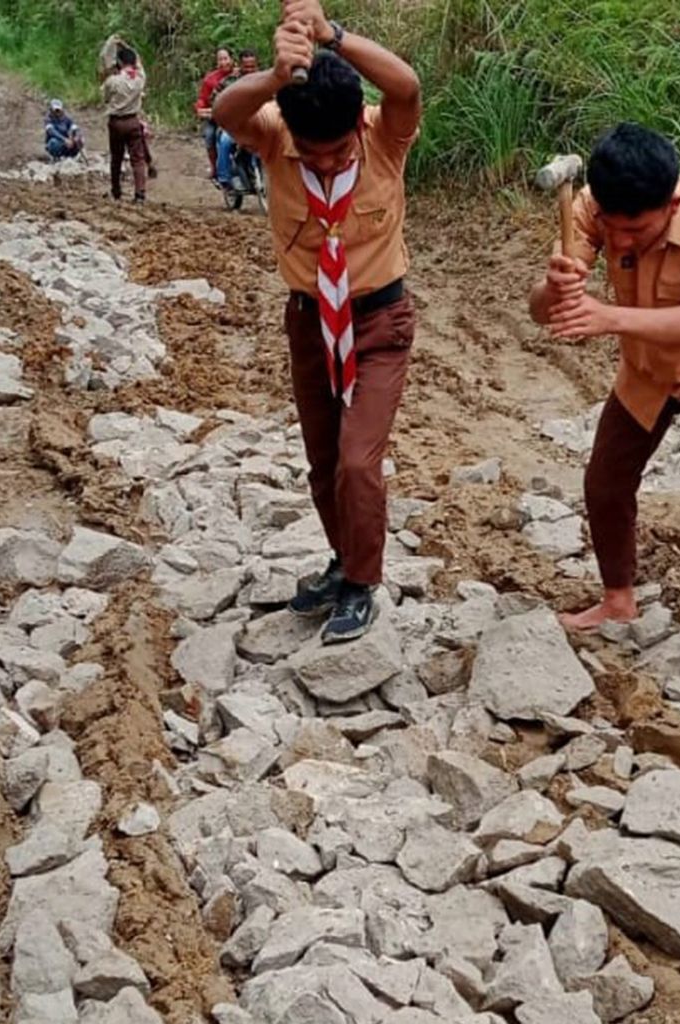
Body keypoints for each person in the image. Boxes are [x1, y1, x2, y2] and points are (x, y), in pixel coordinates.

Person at [529, 123, 680, 707]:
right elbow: (543, 312)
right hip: (647, 367)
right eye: (611, 227)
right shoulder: (593, 206)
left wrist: (605, 316)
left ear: (671, 203)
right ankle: (618, 597)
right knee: (605, 481)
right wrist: (554, 285)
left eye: (634, 229)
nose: (619, 236)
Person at [215, 0, 421, 643]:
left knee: (359, 461)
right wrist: (277, 76)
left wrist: (334, 36)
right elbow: (227, 112)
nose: (326, 166)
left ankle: (363, 585)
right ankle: (343, 560)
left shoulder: (385, 137)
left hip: (380, 320)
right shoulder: (277, 135)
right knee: (323, 460)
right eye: (315, 156)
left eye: (336, 154)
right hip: (309, 322)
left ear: (357, 128)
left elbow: (407, 84)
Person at [99, 35, 148, 203]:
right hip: (133, 121)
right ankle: (140, 194)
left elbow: (105, 98)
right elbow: (138, 62)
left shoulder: (112, 81)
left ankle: (116, 191)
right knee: (138, 159)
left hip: (116, 122)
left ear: (119, 62)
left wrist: (112, 43)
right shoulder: (140, 79)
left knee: (116, 157)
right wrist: (127, 46)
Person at [214, 49, 261, 189]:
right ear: (240, 66)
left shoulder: (265, 81)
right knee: (225, 142)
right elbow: (215, 101)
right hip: (234, 126)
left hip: (259, 124)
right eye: (246, 67)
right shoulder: (229, 82)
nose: (250, 70)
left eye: (252, 66)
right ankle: (224, 178)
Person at [195, 47, 234, 179]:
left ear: (232, 59)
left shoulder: (239, 75)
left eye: (226, 58)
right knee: (210, 135)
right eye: (220, 59)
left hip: (236, 117)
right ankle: (214, 167)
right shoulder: (210, 80)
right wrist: (201, 109)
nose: (223, 62)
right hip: (214, 117)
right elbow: (202, 99)